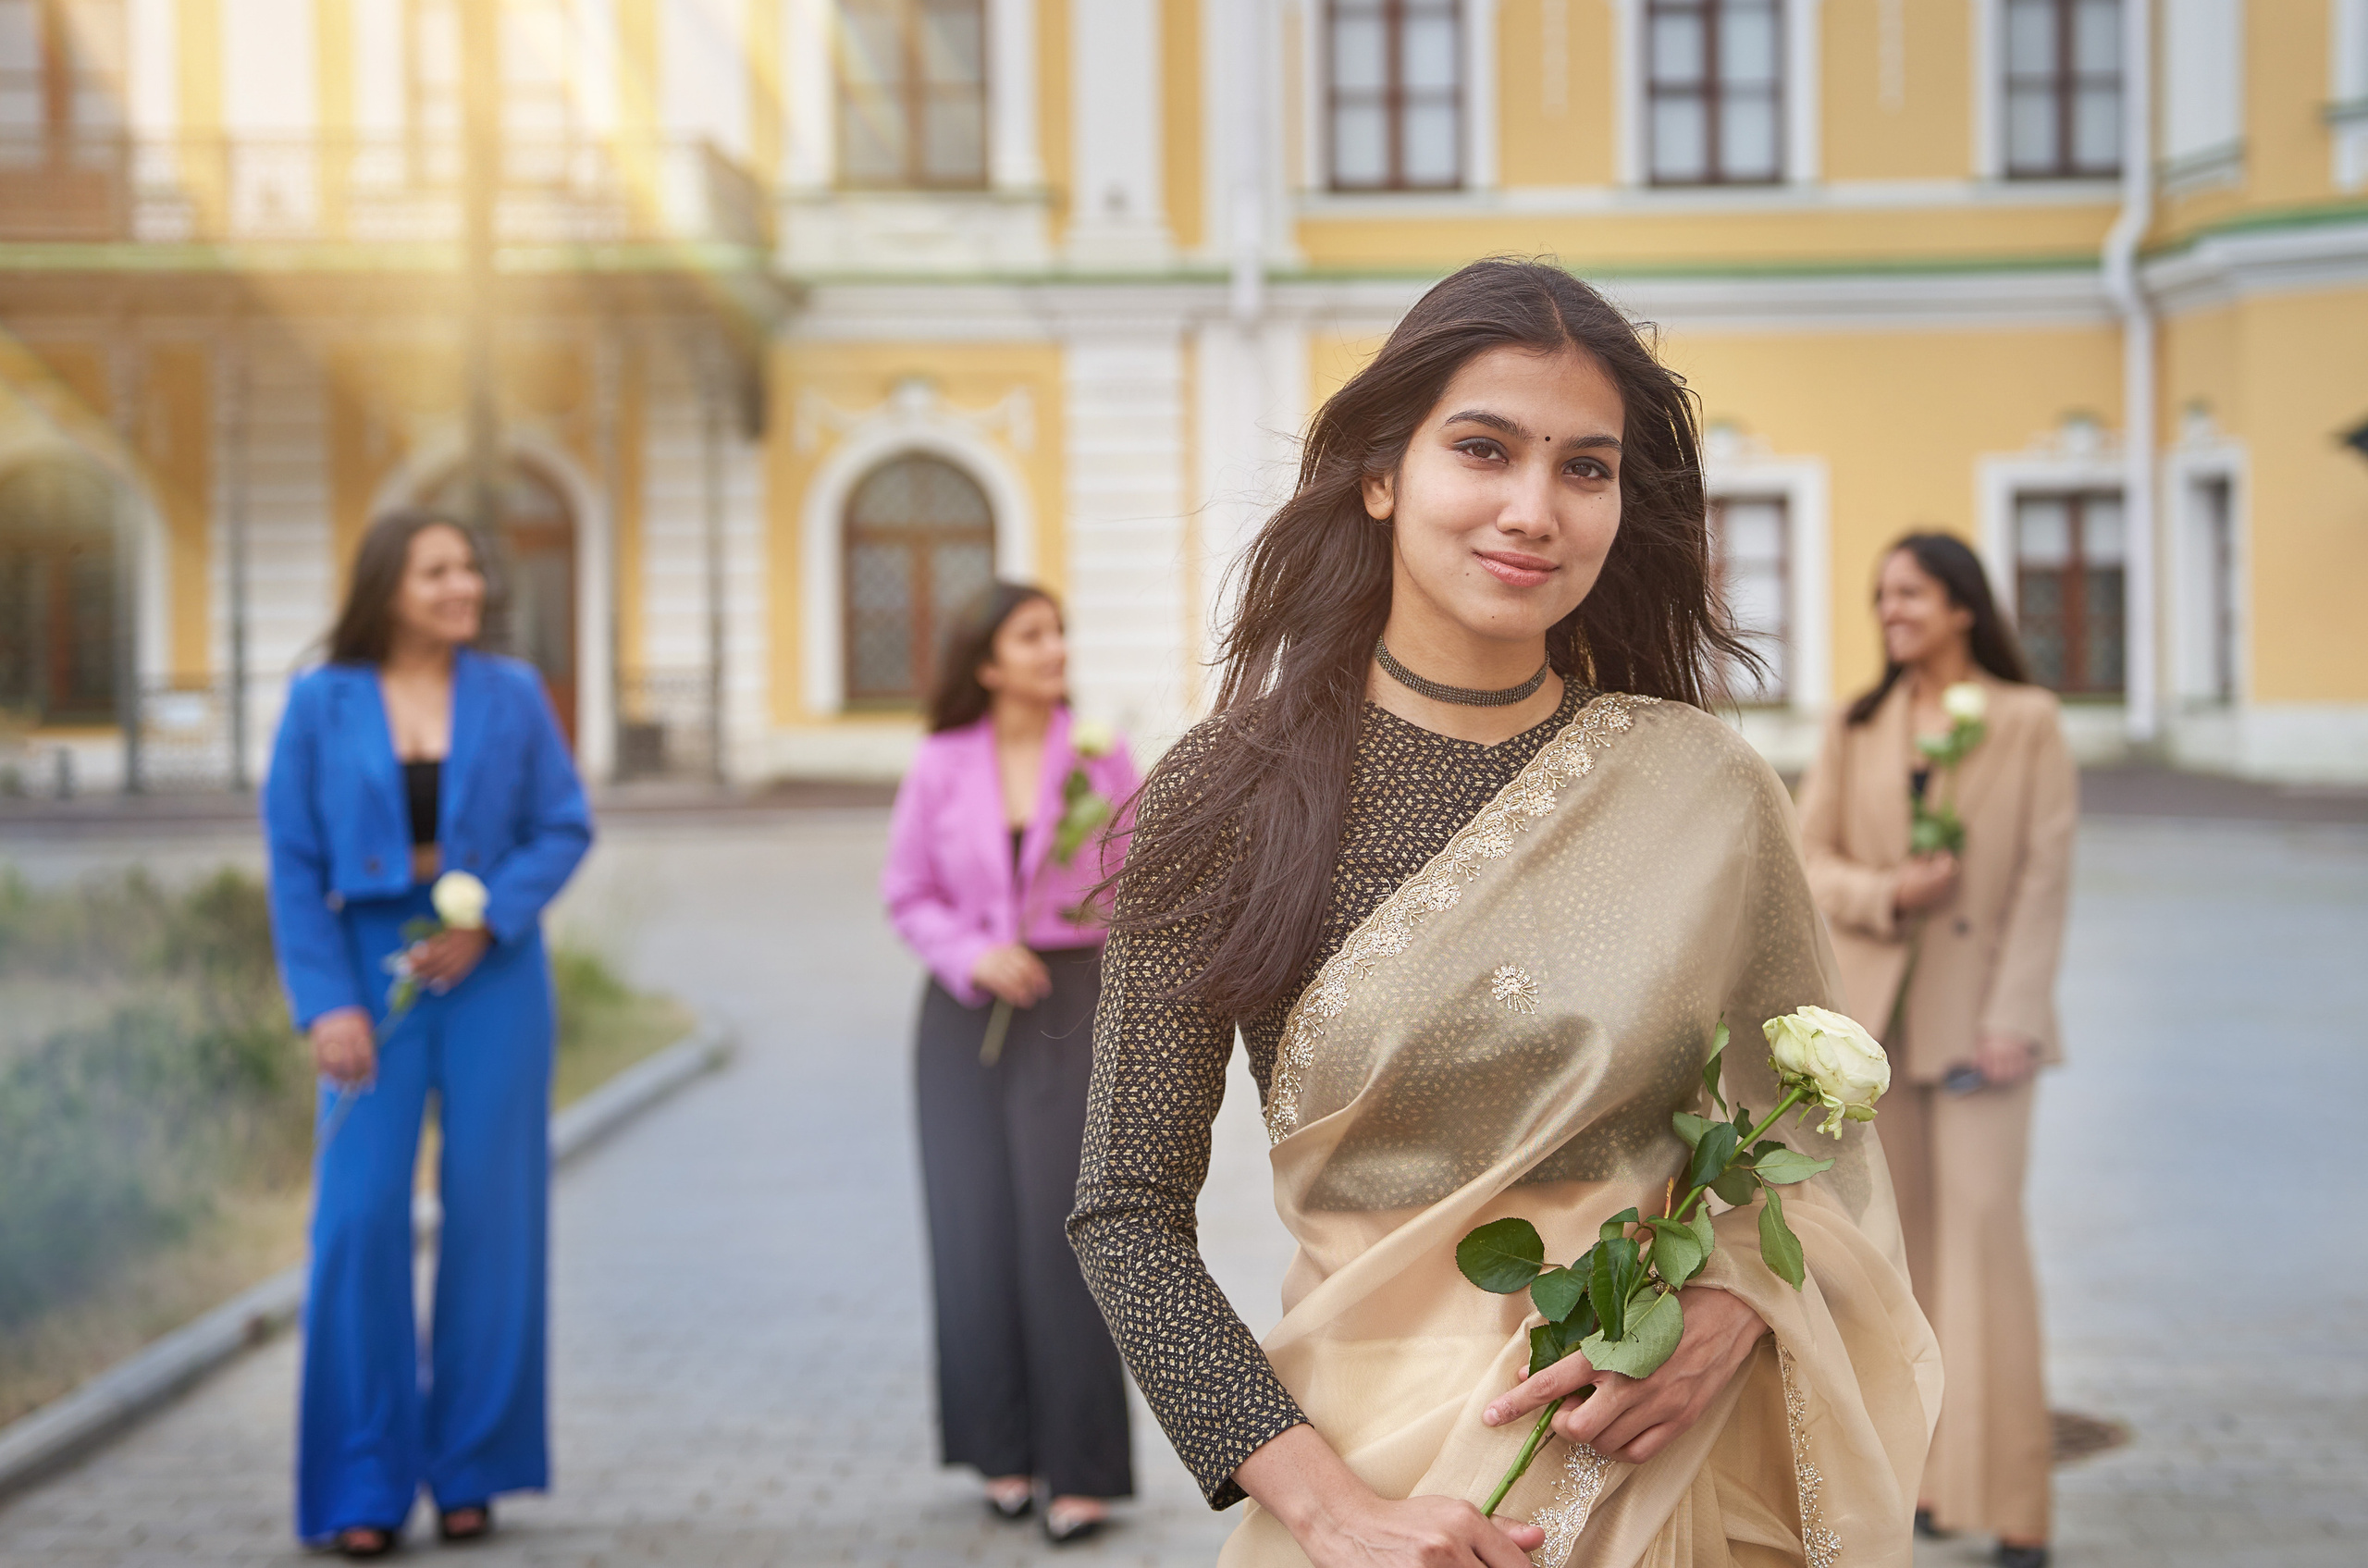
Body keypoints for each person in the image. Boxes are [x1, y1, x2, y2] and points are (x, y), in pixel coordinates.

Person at [1068, 258, 1940, 1568]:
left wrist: (1734, 1304)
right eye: (1485, 449)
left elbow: (1806, 1122)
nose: (1533, 509)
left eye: (1584, 468)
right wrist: (1325, 1501)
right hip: (1380, 1490)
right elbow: (1124, 1212)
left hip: (1685, 1483)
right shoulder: (1233, 791)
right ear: (1382, 473)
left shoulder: (1700, 785)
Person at [262, 509, 592, 1556]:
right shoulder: (320, 703)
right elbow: (290, 861)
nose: (465, 587)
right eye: (438, 570)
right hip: (366, 972)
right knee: (357, 1222)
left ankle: (472, 1469)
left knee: (496, 1217)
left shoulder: (512, 693)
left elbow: (564, 824)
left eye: (470, 569)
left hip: (494, 977)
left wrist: (490, 915)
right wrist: (328, 1005)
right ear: (387, 585)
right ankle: (361, 1482)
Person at [1794, 534, 2075, 1568]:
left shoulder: (2028, 721)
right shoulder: (1855, 724)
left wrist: (2015, 1019)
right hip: (1869, 1036)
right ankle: (1921, 1485)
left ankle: (2015, 1504)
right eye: (1880, 595)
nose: (1890, 611)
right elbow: (1808, 855)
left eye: (1909, 593)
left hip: (1982, 1036)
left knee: (1986, 1251)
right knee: (1891, 1268)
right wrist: (1886, 894)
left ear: (1962, 606)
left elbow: (2043, 877)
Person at [881, 582, 1142, 1545]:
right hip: (963, 1015)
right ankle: (1001, 1451)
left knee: (1061, 1229)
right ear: (986, 662)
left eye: (1060, 633)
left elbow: (1141, 868)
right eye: (1032, 636)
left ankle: (1081, 1471)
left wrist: (1089, 914)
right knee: (973, 1230)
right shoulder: (942, 764)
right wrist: (972, 953)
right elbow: (906, 891)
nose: (1054, 649)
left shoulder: (1100, 752)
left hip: (1070, 1007)